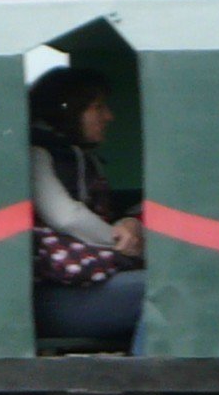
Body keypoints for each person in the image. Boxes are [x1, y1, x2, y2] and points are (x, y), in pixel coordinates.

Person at [28, 67, 145, 347]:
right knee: (165, 289)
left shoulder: (83, 159)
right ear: (66, 110)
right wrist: (126, 243)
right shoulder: (36, 153)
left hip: (83, 285)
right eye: (97, 107)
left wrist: (132, 225)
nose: (108, 117)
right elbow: (66, 217)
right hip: (54, 294)